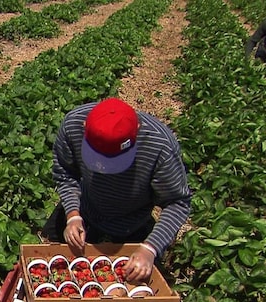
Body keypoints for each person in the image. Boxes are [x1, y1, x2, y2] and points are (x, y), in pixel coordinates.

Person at [41, 98, 192, 283]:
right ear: (85, 127)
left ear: (136, 132)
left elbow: (177, 202)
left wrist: (150, 248)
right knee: (47, 263)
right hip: (86, 207)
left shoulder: (161, 146)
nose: (104, 169)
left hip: (131, 221)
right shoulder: (73, 125)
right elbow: (65, 174)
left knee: (137, 282)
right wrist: (73, 214)